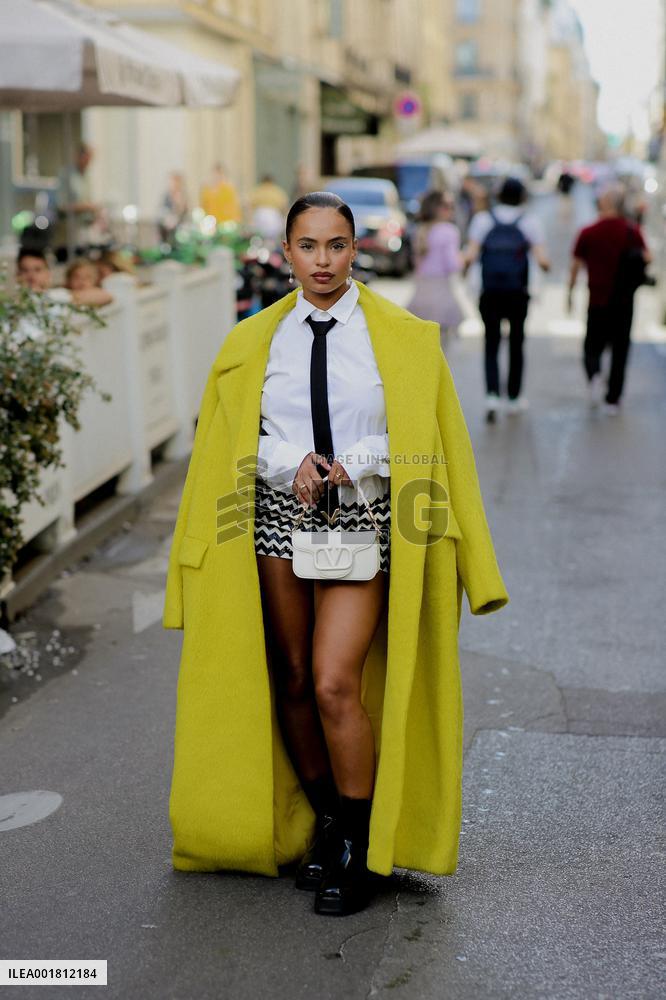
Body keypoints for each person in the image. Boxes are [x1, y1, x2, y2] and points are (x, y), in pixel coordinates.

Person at [163, 191, 509, 918]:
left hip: (365, 515)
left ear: (358, 250)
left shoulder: (402, 337)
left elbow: (428, 436)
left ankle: (360, 844)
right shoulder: (252, 342)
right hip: (277, 515)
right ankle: (326, 815)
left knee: (331, 681)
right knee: (288, 675)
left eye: (337, 245)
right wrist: (290, 460)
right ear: (286, 253)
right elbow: (233, 435)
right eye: (308, 246)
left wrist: (355, 460)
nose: (323, 261)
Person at [463, 177, 550, 422]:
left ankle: (491, 395)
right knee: (516, 343)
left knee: (491, 342)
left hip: (489, 292)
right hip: (517, 293)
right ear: (522, 197)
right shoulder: (530, 222)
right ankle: (513, 398)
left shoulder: (482, 221)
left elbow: (469, 256)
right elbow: (543, 261)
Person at [568, 184, 651, 414]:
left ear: (603, 204)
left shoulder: (589, 231)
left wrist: (570, 292)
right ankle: (613, 399)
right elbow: (648, 257)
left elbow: (575, 265)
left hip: (598, 299)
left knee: (592, 346)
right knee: (620, 349)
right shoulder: (631, 231)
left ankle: (594, 375)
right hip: (624, 301)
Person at [407, 190, 464, 345]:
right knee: (441, 349)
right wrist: (465, 257)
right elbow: (453, 265)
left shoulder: (419, 231)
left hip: (421, 293)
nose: (452, 210)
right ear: (437, 208)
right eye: (448, 206)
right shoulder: (449, 231)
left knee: (424, 347)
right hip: (440, 292)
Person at [16, 249, 112, 307]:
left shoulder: (58, 295)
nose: (31, 275)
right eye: (25, 270)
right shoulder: (12, 303)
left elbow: (105, 296)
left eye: (37, 270)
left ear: (48, 273)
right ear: (17, 275)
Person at [54, 143, 99, 257]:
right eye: (86, 158)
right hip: (68, 231)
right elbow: (61, 205)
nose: (88, 162)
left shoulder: (86, 176)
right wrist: (84, 207)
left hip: (83, 229)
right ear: (79, 156)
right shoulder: (67, 175)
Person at [158, 172, 188, 245]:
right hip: (168, 224)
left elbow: (185, 213)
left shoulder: (183, 196)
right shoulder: (167, 196)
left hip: (180, 224)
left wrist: (179, 204)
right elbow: (163, 211)